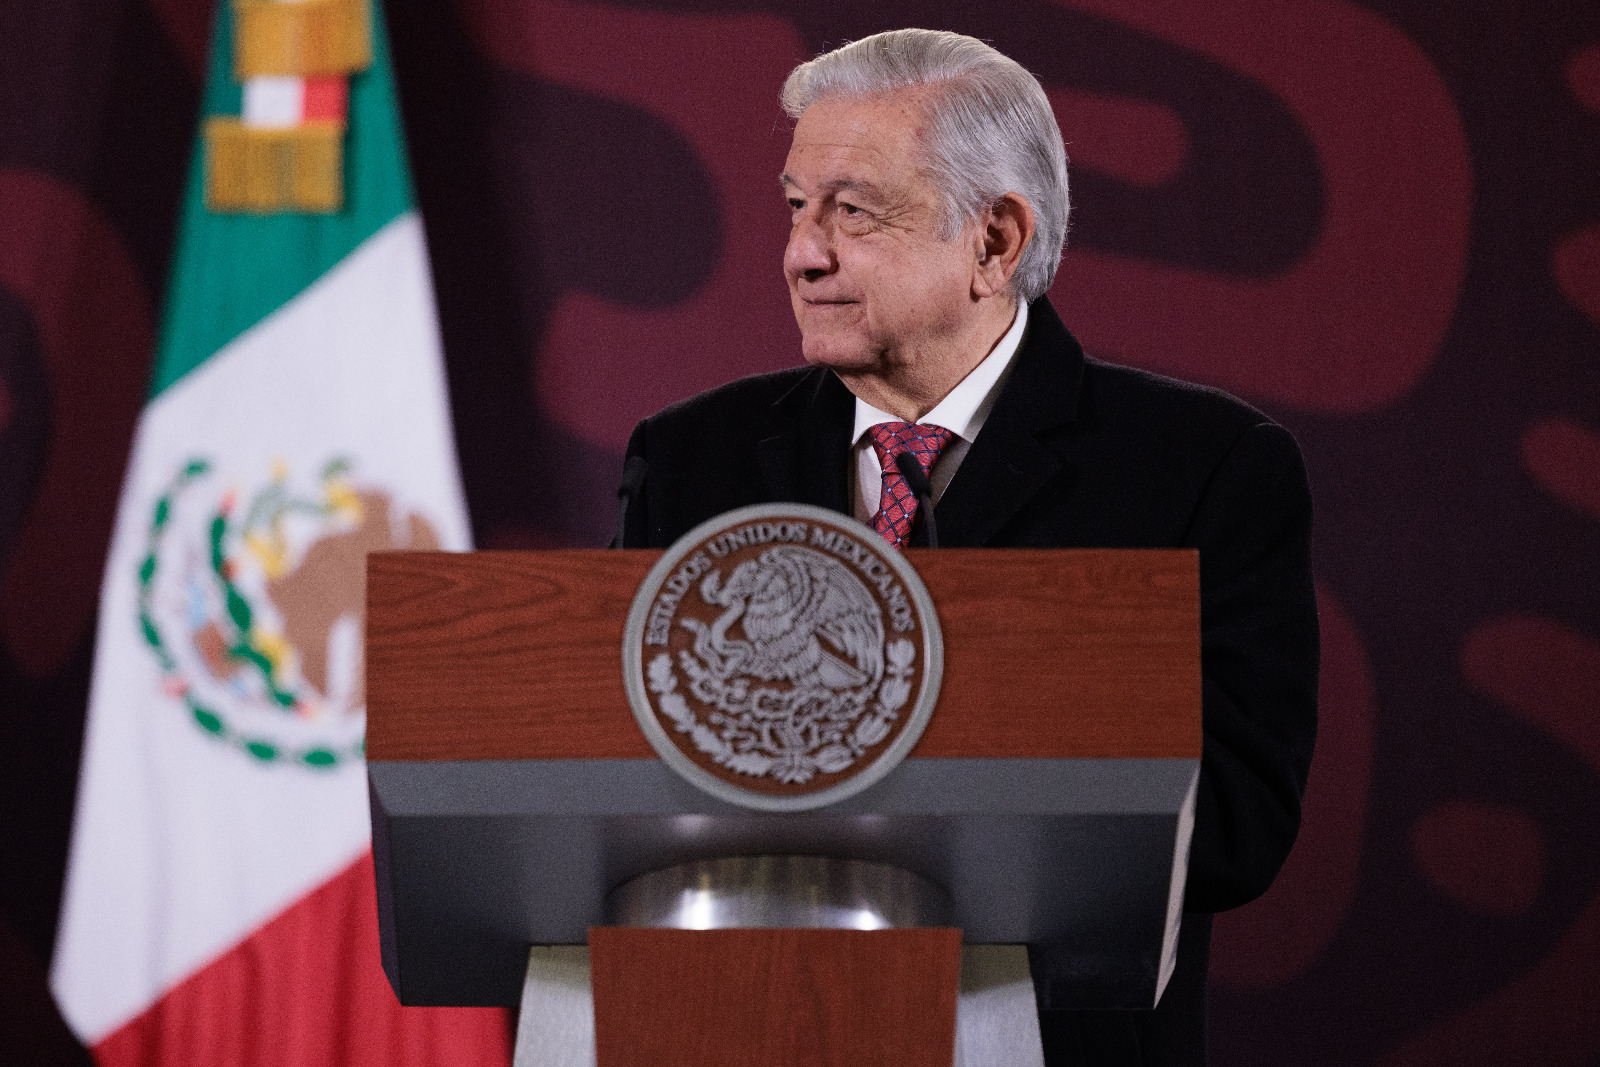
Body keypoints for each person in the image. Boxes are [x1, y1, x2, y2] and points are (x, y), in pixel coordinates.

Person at [618, 28, 1317, 1067]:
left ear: (994, 240)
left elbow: (1233, 821)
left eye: (853, 212)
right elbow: (615, 773)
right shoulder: (689, 459)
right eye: (797, 206)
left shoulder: (1203, 468)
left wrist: (907, 779)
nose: (802, 252)